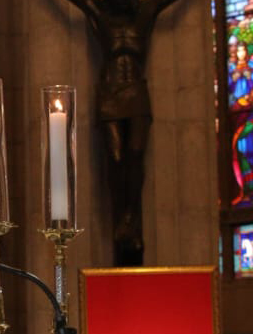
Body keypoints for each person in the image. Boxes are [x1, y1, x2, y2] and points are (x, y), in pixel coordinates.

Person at [65, 0, 183, 266]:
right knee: (116, 160)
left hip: (137, 94)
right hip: (109, 95)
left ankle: (130, 218)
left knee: (136, 154)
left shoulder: (144, 16)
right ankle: (122, 220)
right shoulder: (102, 18)